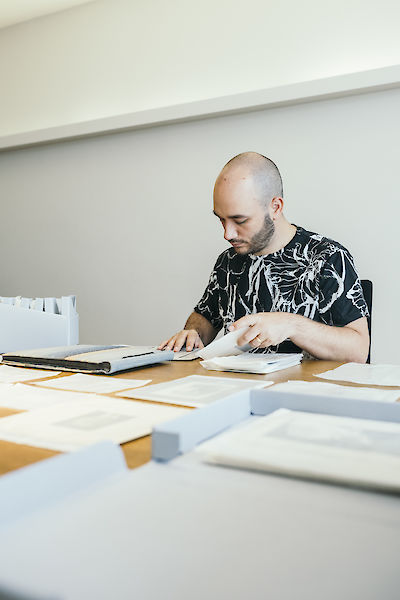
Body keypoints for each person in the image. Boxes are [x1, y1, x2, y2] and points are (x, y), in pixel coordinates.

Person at [158, 152, 369, 362]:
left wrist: (291, 325)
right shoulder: (228, 262)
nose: (227, 234)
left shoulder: (328, 257)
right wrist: (192, 333)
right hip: (236, 387)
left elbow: (358, 350)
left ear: (275, 207)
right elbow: (203, 318)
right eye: (221, 219)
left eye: (239, 220)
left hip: (304, 391)